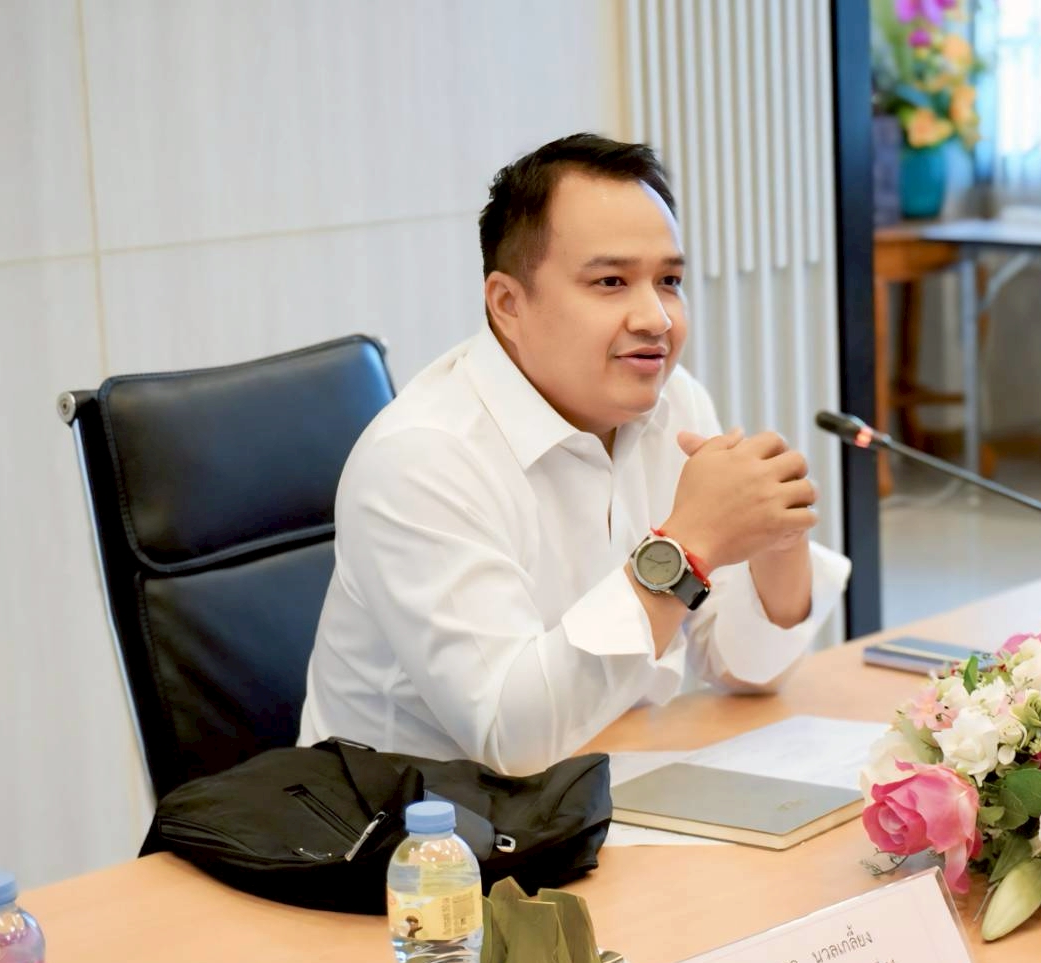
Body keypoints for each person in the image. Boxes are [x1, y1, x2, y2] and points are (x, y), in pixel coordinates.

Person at [299, 133, 850, 774]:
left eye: (669, 281)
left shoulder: (673, 403)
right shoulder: (422, 460)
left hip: (614, 780)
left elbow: (746, 670)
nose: (656, 318)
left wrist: (775, 544)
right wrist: (686, 548)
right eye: (611, 281)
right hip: (422, 819)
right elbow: (511, 739)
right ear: (509, 304)